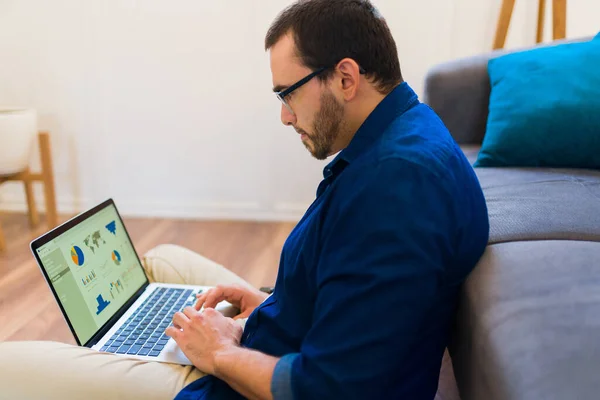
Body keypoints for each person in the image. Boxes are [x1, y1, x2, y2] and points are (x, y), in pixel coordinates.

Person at [0, 0, 489, 399]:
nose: (284, 116)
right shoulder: (408, 131)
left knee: (7, 366)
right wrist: (268, 303)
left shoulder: (396, 187)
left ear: (345, 77)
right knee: (161, 261)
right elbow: (359, 297)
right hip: (280, 339)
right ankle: (132, 350)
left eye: (287, 94)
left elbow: (333, 389)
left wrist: (221, 353)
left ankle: (129, 364)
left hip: (244, 384)